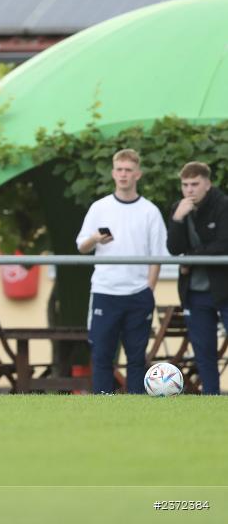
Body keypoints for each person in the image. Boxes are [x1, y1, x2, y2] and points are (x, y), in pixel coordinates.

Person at [76, 149, 168, 394]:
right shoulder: (99, 207)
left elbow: (158, 256)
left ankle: (135, 407)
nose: (123, 175)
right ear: (113, 173)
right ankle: (103, 405)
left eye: (128, 170)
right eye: (119, 170)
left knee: (137, 358)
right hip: (105, 291)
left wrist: (149, 288)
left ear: (138, 174)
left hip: (138, 293)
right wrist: (95, 238)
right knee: (102, 355)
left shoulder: (150, 211)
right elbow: (81, 246)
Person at [166, 161, 228, 395]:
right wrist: (178, 220)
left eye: (195, 184)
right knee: (204, 352)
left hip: (224, 289)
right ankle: (210, 399)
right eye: (185, 185)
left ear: (207, 184)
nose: (189, 190)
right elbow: (173, 248)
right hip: (195, 293)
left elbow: (223, 244)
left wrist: (190, 259)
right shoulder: (178, 208)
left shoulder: (223, 205)